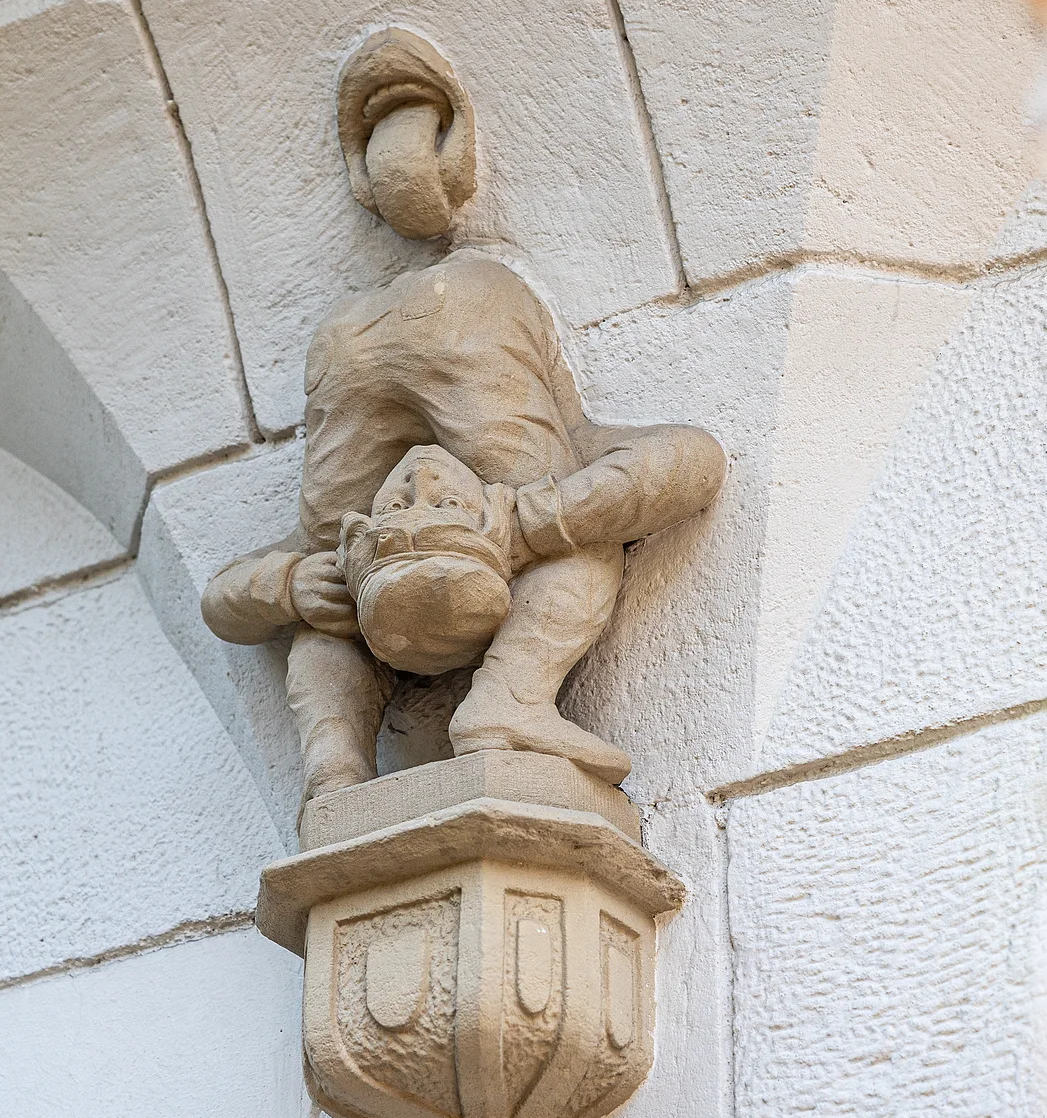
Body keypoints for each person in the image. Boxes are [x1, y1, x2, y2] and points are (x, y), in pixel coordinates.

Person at [202, 250, 723, 805]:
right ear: (480, 517)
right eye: (445, 503)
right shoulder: (523, 488)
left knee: (324, 622)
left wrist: (290, 588)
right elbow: (692, 461)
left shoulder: (333, 541)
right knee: (585, 550)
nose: (419, 483)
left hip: (353, 345)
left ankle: (334, 766)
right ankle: (508, 699)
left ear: (370, 528)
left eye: (401, 506)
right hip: (462, 308)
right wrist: (529, 527)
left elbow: (220, 600)